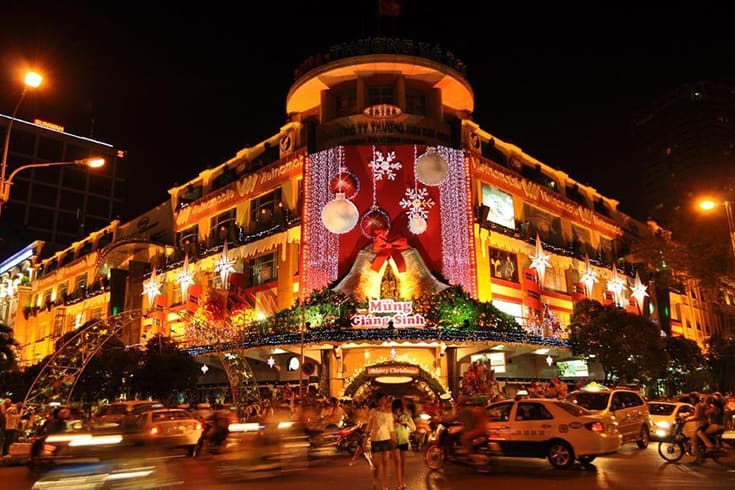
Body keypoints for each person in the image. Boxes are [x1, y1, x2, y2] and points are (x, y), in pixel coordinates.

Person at [366, 393, 396, 490]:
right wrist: (365, 437)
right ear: (378, 400)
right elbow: (369, 425)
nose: (383, 401)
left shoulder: (389, 413)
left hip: (386, 439)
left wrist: (394, 440)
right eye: (381, 399)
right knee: (376, 464)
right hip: (375, 439)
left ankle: (385, 485)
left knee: (386, 462)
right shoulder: (373, 412)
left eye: (384, 399)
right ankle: (375, 479)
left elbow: (391, 428)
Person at [392, 398, 415, 490]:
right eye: (396, 409)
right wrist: (394, 425)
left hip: (404, 440)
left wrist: (406, 423)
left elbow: (414, 428)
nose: (398, 411)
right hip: (394, 441)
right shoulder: (391, 416)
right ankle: (399, 484)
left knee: (403, 463)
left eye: (399, 409)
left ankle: (402, 481)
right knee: (397, 462)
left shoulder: (406, 416)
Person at [683, 392, 707, 462]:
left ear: (694, 398)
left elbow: (697, 416)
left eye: (691, 398)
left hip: (701, 425)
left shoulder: (698, 405)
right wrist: (686, 415)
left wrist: (687, 419)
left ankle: (699, 458)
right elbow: (695, 413)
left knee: (694, 442)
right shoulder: (699, 405)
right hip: (704, 424)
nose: (691, 400)